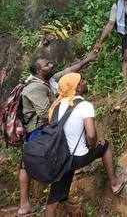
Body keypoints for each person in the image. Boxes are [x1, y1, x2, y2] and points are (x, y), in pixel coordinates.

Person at [17, 52, 97, 216]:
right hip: (39, 130)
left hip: (54, 127)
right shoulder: (34, 87)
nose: (51, 65)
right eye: (47, 65)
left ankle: (61, 202)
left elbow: (68, 72)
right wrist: (68, 99)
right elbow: (45, 112)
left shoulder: (50, 80)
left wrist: (87, 59)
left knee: (63, 160)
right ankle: (24, 204)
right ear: (39, 71)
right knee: (27, 162)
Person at [44, 73, 127, 217]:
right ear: (77, 87)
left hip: (59, 159)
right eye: (82, 80)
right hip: (78, 157)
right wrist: (92, 145)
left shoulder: (56, 106)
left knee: (52, 202)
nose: (85, 82)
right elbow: (91, 135)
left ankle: (62, 206)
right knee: (105, 146)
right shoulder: (84, 105)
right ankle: (114, 183)